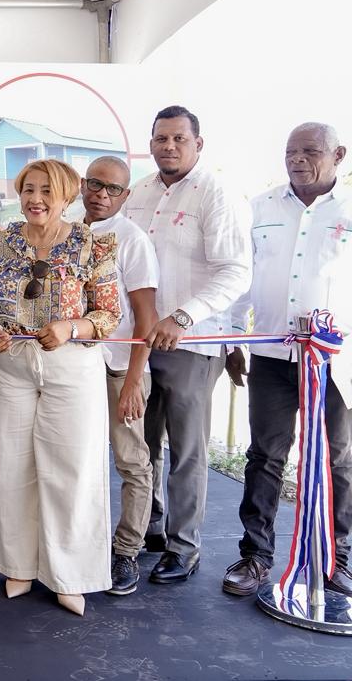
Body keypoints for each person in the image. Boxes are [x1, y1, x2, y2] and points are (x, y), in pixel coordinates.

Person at [0, 158, 120, 616]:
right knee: (8, 466)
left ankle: (70, 575)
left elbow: (108, 315)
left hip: (72, 367)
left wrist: (71, 328)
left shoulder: (92, 243)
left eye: (46, 191)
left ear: (66, 197)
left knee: (72, 471)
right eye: (28, 190)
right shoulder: (1, 240)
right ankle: (17, 564)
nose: (35, 199)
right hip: (12, 366)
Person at [221, 122, 352, 596]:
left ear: (338, 154)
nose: (297, 159)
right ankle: (254, 558)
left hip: (335, 363)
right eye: (290, 151)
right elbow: (241, 278)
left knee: (337, 459)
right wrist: (234, 340)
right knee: (265, 456)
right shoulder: (261, 208)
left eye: (310, 151)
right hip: (272, 353)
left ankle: (335, 559)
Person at [124, 106, 251, 584]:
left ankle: (184, 546)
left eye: (179, 138)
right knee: (142, 443)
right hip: (137, 343)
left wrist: (183, 316)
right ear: (151, 142)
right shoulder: (138, 192)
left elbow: (236, 270)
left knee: (187, 449)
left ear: (199, 143)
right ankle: (152, 527)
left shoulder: (217, 194)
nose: (169, 146)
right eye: (161, 138)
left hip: (191, 343)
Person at [80, 156, 160, 597]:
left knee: (131, 461)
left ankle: (126, 551)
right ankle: (80, 547)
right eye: (95, 184)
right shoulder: (67, 229)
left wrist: (133, 381)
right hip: (76, 370)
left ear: (126, 196)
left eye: (113, 189)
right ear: (81, 184)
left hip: (118, 370)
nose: (101, 194)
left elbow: (146, 319)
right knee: (78, 462)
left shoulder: (132, 240)